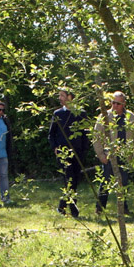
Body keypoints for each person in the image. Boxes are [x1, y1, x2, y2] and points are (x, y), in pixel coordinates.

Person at [94, 91, 134, 215]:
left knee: (123, 182)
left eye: (118, 103)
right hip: (109, 155)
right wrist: (101, 156)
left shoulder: (132, 117)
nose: (114, 106)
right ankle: (100, 208)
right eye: (113, 102)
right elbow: (96, 138)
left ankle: (123, 208)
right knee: (105, 182)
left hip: (125, 155)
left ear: (124, 104)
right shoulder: (104, 116)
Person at [49, 88, 89, 217]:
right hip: (63, 153)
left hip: (77, 153)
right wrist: (55, 147)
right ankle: (73, 209)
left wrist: (84, 150)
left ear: (70, 97)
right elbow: (51, 134)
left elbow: (86, 134)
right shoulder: (58, 114)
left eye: (62, 95)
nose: (59, 98)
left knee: (75, 180)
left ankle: (62, 206)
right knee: (68, 179)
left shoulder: (81, 113)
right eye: (59, 95)